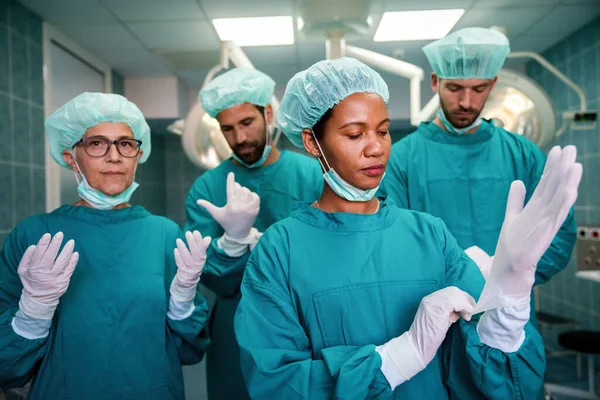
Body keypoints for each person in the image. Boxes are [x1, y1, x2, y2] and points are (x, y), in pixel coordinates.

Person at [234, 57, 581, 399]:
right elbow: (275, 382)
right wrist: (399, 357)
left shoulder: (430, 235)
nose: (376, 148)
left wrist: (509, 304)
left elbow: (498, 374)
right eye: (355, 134)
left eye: (383, 131)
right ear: (313, 143)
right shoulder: (281, 250)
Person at [0, 93, 210, 400]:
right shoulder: (35, 236)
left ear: (138, 155)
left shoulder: (165, 234)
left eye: (125, 144)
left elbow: (191, 351)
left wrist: (182, 303)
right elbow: (7, 367)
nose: (114, 156)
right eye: (97, 143)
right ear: (71, 156)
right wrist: (33, 312)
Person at [380, 27, 576, 326]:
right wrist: (448, 288)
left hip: (508, 310)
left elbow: (557, 232)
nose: (467, 102)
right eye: (455, 88)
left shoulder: (522, 154)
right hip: (434, 311)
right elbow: (391, 238)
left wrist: (510, 279)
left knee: (506, 368)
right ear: (435, 81)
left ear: (493, 84)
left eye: (479, 88)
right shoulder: (402, 158)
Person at [184, 68, 322, 400]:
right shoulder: (208, 187)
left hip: (304, 317)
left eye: (247, 123)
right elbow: (210, 277)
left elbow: (336, 251)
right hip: (237, 321)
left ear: (268, 113)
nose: (240, 138)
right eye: (228, 128)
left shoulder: (311, 174)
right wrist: (230, 244)